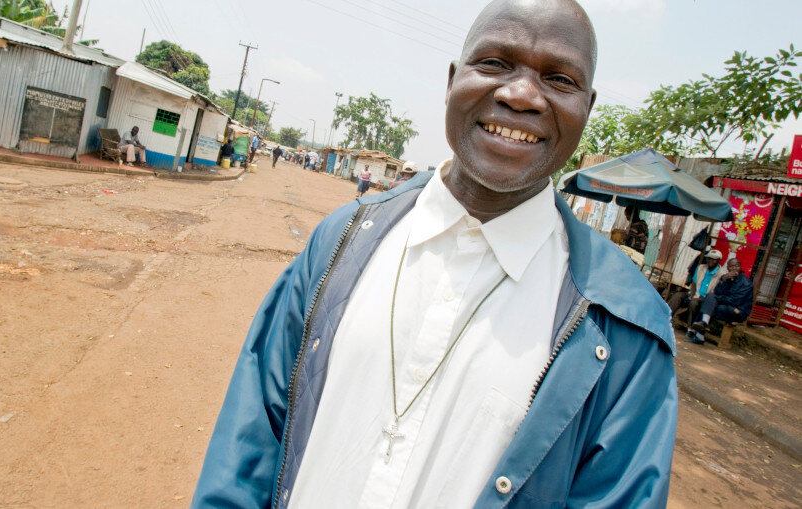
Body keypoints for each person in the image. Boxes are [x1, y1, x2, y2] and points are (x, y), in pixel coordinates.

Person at [193, 1, 676, 507]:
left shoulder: (623, 326)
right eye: (494, 63)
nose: (521, 95)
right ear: (452, 80)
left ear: (587, 108)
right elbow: (247, 447)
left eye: (559, 79)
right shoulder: (342, 240)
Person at [687, 257, 754, 344]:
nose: (734, 268)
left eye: (736, 266)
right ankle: (703, 323)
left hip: (739, 310)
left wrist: (718, 299)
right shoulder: (727, 278)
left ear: (740, 267)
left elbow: (735, 301)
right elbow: (717, 292)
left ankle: (699, 334)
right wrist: (723, 280)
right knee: (710, 297)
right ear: (728, 268)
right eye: (731, 266)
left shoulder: (746, 283)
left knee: (711, 306)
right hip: (726, 305)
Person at [667, 249, 724, 324]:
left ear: (719, 260)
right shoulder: (701, 268)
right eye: (709, 258)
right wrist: (692, 294)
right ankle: (666, 317)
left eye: (714, 259)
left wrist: (698, 298)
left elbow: (717, 292)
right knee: (677, 296)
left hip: (705, 299)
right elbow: (694, 282)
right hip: (695, 294)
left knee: (693, 303)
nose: (711, 261)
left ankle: (690, 326)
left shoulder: (722, 273)